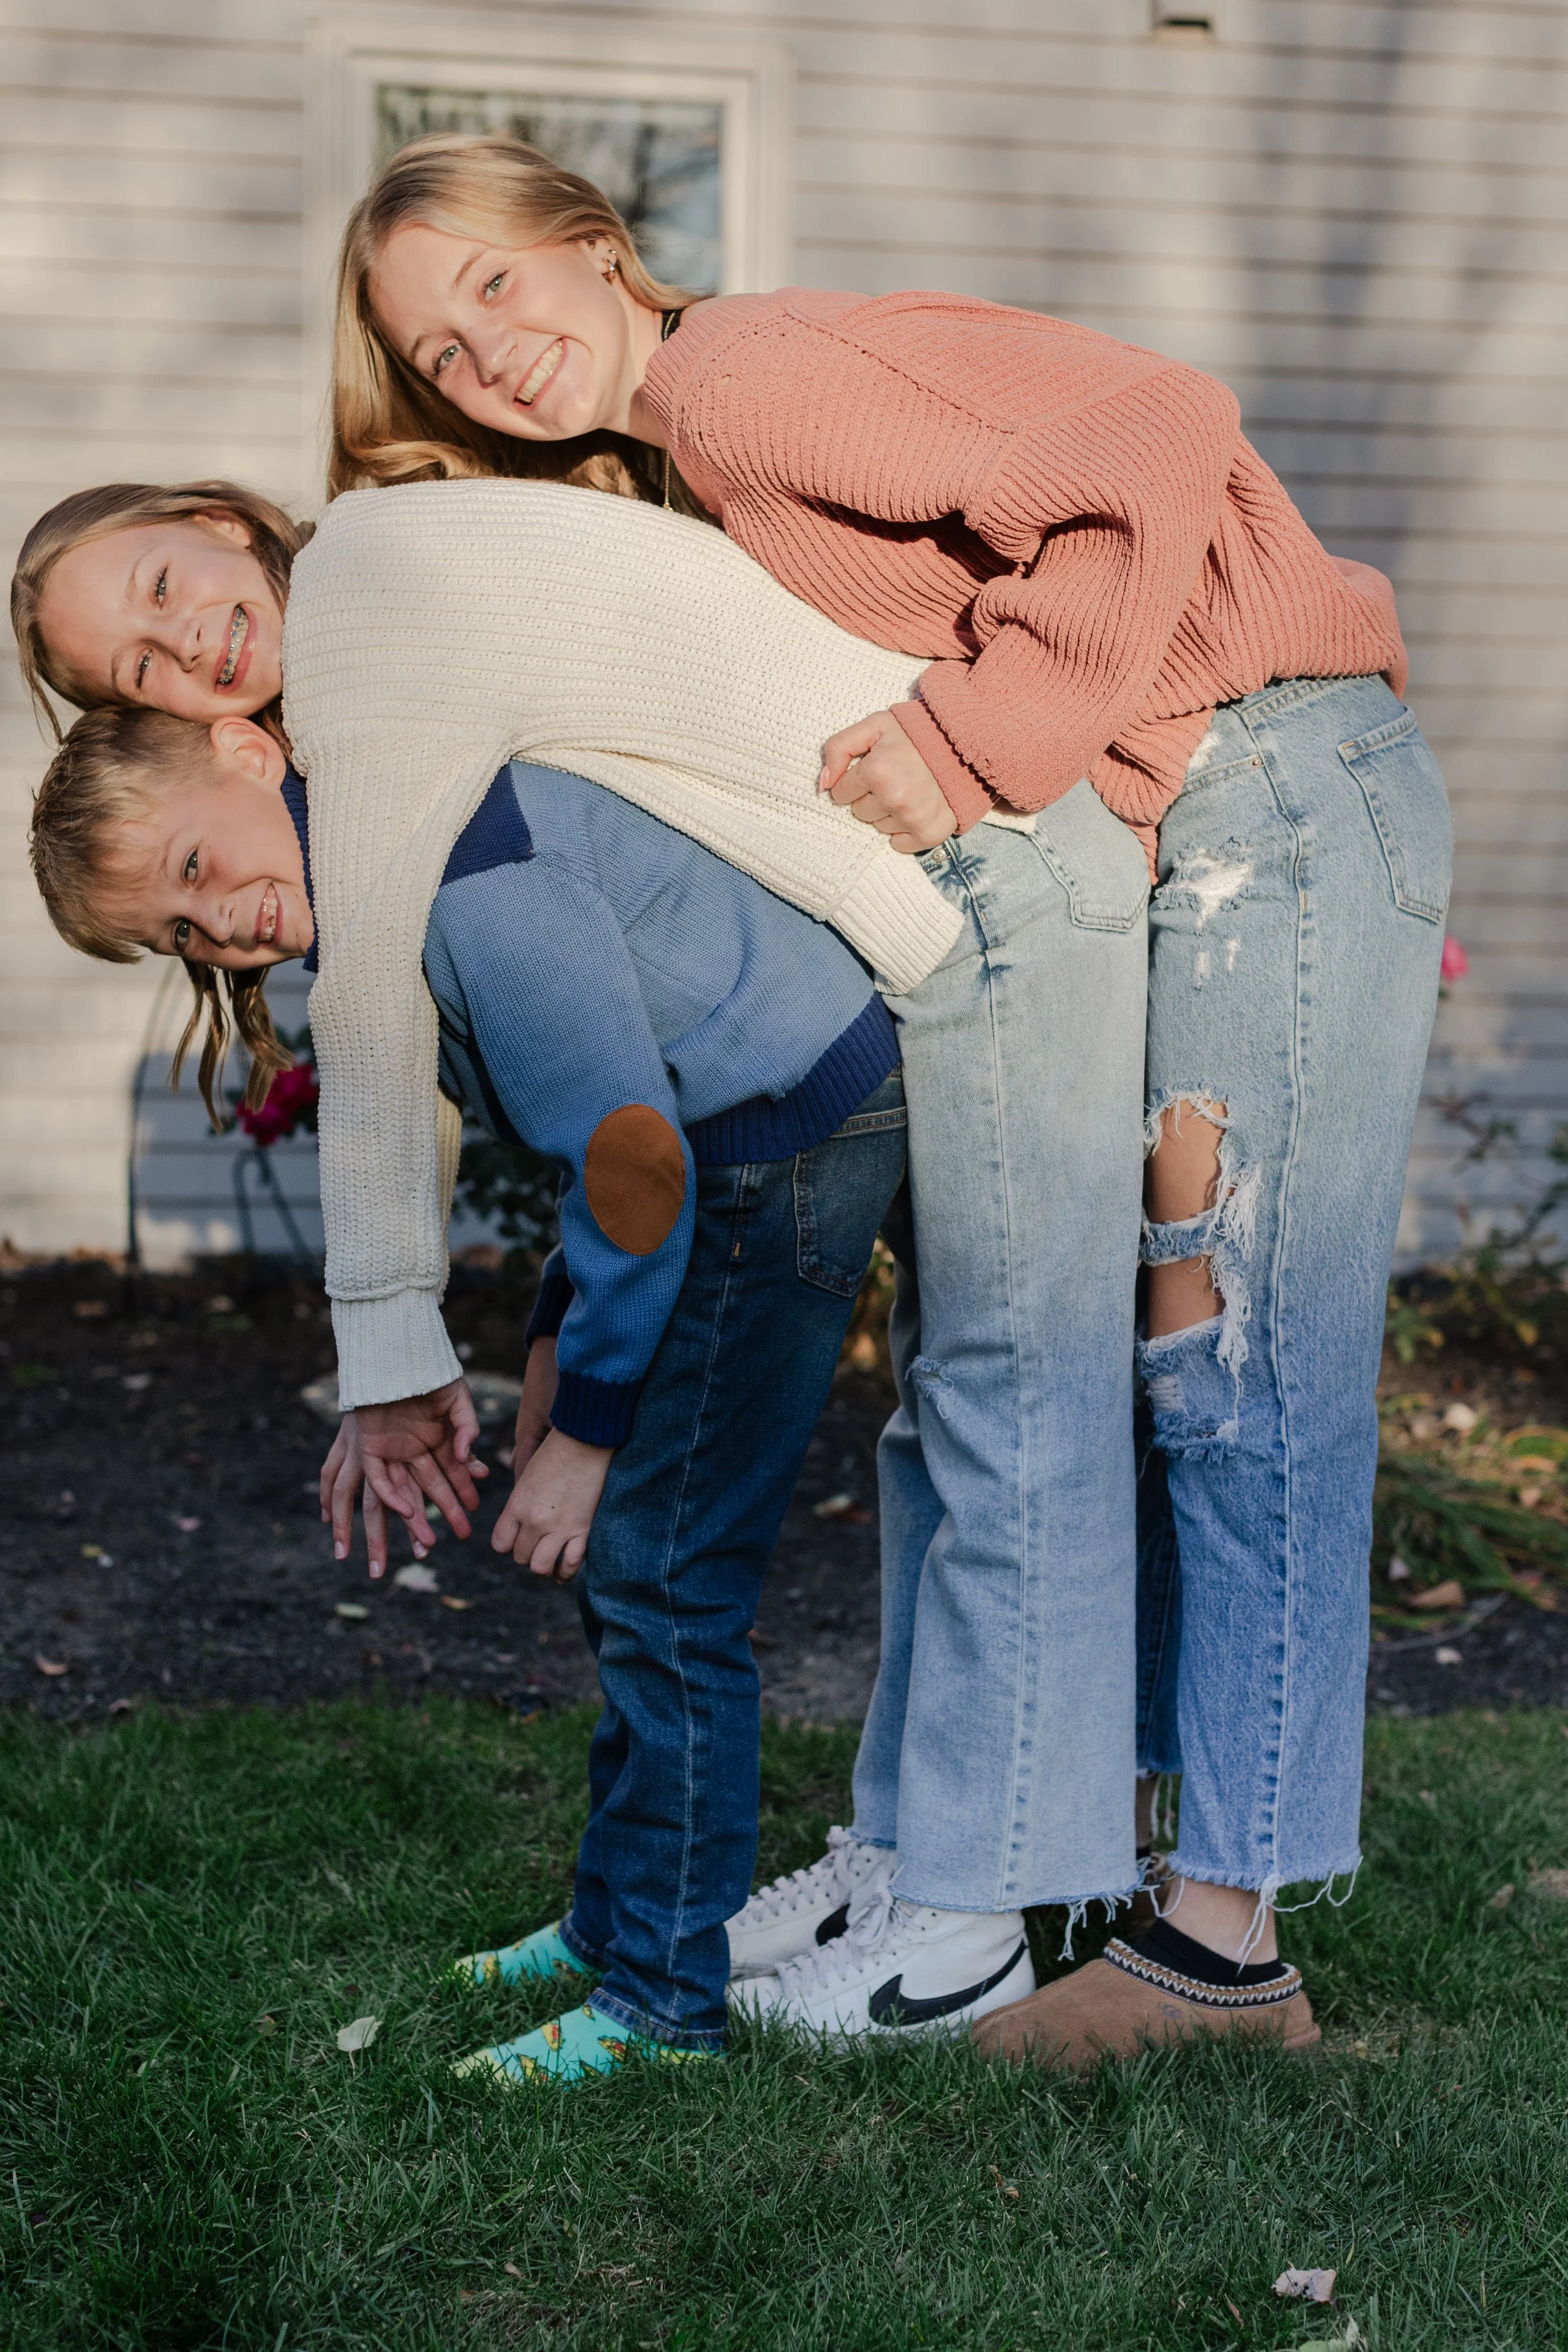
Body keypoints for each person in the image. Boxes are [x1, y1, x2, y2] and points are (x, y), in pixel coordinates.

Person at [335, 132, 1451, 2061]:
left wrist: (973, 733)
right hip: (1207, 813)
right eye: (436, 348)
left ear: (598, 251)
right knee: (1158, 1358)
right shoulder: (699, 452)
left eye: (497, 286)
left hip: (1277, 791)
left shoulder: (741, 375)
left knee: (1241, 1364)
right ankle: (1104, 1877)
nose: (480, 353)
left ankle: (1219, 1951)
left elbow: (1158, 429)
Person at [14, 468, 1148, 2039]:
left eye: (199, 874)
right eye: (183, 938)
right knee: (641, 1573)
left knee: (666, 1574)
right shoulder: (391, 873)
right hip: (736, 1135)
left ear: (251, 744)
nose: (227, 929)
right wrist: (555, 1339)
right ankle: (615, 1920)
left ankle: (659, 1999)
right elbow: (602, 1129)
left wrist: (591, 1435)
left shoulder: (459, 882)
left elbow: (636, 1155)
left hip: (787, 1143)